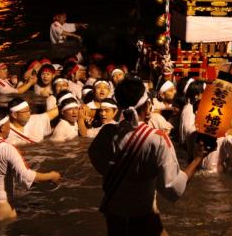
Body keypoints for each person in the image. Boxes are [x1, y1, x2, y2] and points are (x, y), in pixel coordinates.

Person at [89, 78, 208, 235]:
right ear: (146, 106)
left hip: (113, 216)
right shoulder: (156, 139)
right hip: (143, 219)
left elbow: (96, 158)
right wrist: (197, 159)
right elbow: (173, 187)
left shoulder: (107, 132)